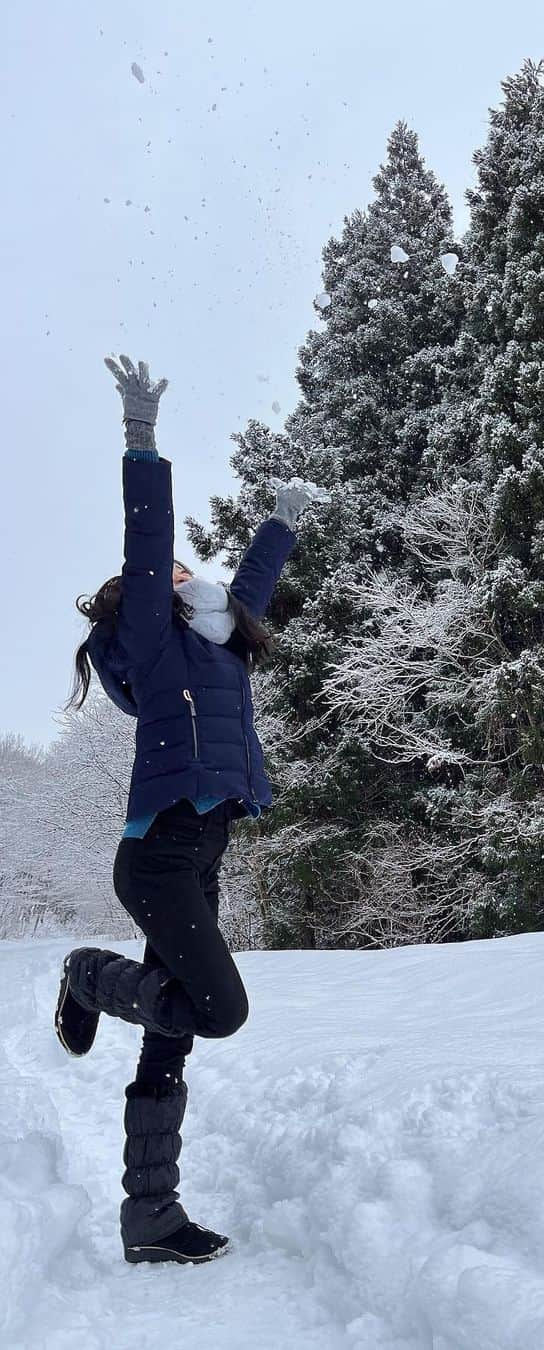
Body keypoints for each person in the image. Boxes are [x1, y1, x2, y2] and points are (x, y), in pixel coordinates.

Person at [54, 354, 322, 1266]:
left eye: (182, 566)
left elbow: (246, 595)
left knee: (171, 1033)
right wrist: (142, 442)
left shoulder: (221, 649)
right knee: (217, 1009)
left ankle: (150, 1221)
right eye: (164, 568)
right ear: (142, 596)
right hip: (161, 852)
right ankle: (88, 975)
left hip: (205, 848)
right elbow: (146, 539)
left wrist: (281, 522)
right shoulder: (152, 646)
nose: (180, 567)